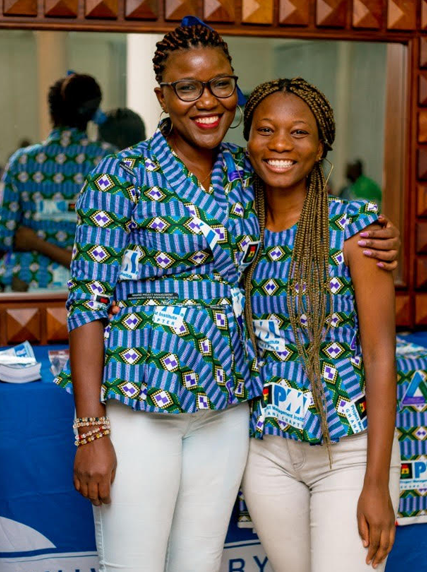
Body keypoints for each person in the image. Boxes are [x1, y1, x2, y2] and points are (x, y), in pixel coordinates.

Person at [54, 21, 400, 572]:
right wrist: (91, 429)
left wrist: (374, 234)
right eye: (187, 87)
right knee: (134, 563)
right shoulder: (121, 174)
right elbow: (87, 301)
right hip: (144, 400)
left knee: (200, 562)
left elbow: (304, 210)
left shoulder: (244, 170)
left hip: (228, 406)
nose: (207, 100)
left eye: (220, 84)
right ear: (162, 96)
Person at [241, 78, 400, 572]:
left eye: (299, 132)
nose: (280, 144)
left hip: (349, 451)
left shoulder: (356, 231)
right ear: (247, 140)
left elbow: (380, 357)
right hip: (266, 453)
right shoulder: (233, 228)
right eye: (265, 129)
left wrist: (376, 483)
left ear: (321, 147)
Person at [0, 73, 114, 291]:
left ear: (51, 113)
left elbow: (5, 235)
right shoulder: (108, 161)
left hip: (30, 285)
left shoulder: (22, 162)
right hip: (90, 290)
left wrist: (35, 240)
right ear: (91, 115)